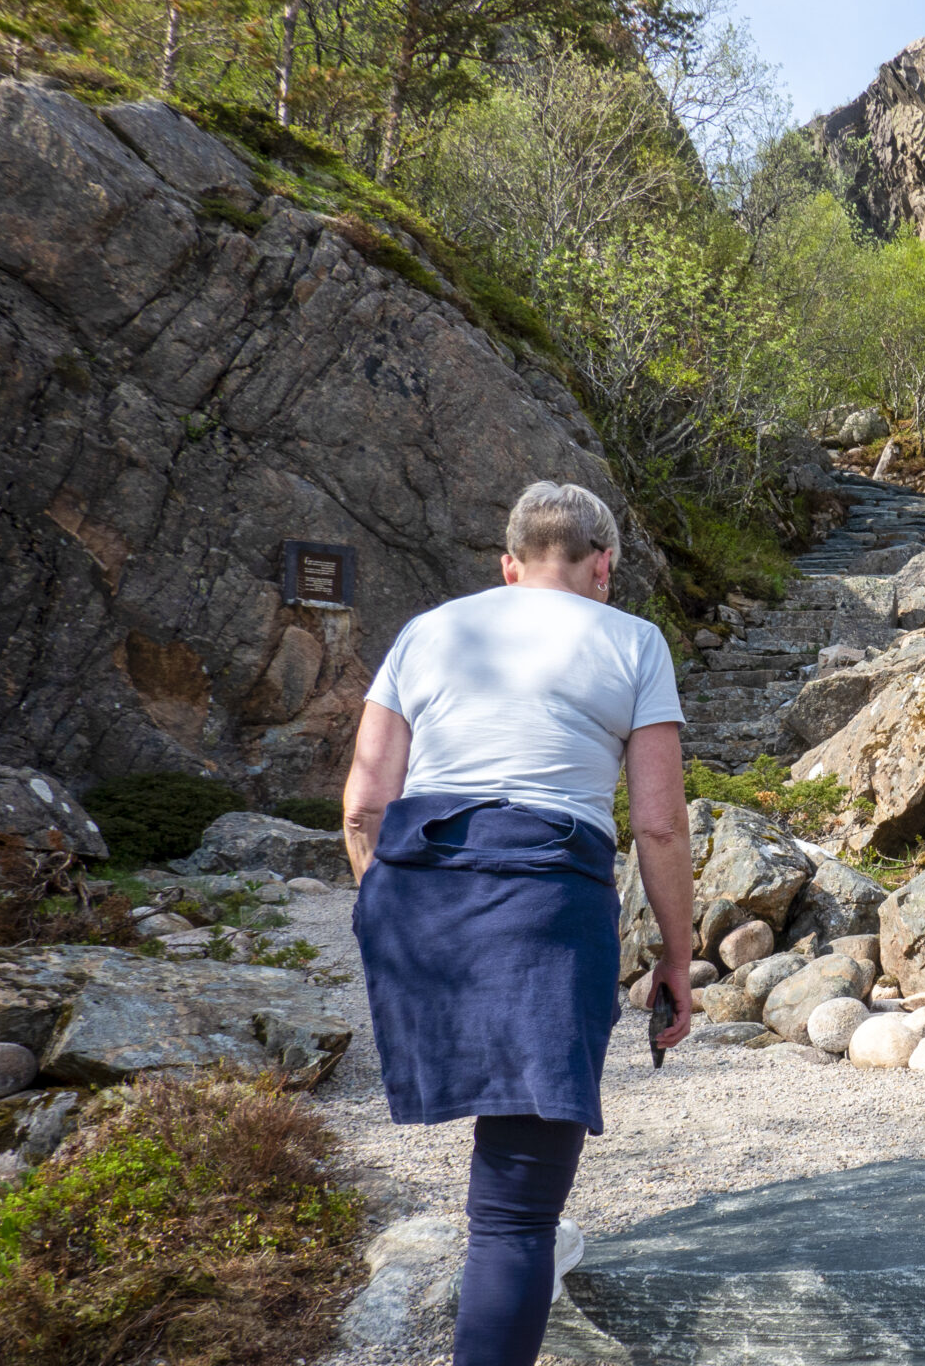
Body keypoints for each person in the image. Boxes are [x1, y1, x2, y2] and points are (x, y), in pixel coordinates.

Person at [341, 481, 694, 1364]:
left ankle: (524, 1260)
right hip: (545, 891)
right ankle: (520, 1262)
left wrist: (387, 915)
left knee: (501, 1159)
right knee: (514, 1213)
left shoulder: (429, 631)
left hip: (419, 892)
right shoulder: (633, 640)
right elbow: (658, 822)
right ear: (603, 565)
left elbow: (364, 805)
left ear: (509, 566)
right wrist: (677, 959)